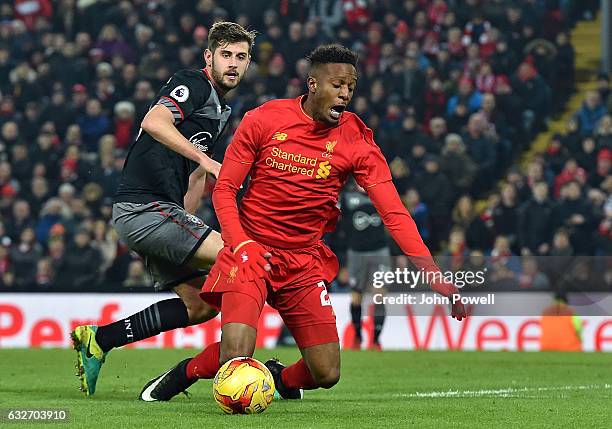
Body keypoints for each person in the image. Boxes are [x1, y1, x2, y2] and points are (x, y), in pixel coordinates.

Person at [138, 45, 465, 402]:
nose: (345, 94)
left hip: (303, 262)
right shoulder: (263, 120)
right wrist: (240, 244)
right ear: (312, 84)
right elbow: (225, 190)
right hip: (251, 253)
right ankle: (185, 372)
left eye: (351, 87)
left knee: (326, 373)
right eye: (338, 84)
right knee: (236, 358)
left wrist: (434, 275)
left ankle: (282, 379)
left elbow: (395, 214)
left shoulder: (357, 142)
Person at [70, 22, 257, 396]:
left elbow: (193, 179)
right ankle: (242, 364)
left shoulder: (220, 110)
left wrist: (189, 214)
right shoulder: (195, 83)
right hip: (144, 208)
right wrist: (206, 161)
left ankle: (99, 340)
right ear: (209, 57)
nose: (233, 64)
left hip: (157, 214)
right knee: (242, 258)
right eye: (226, 55)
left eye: (241, 57)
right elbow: (154, 121)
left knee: (201, 305)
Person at [341, 181, 391, 351]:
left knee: (379, 295)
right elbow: (340, 228)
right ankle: (357, 335)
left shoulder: (382, 192)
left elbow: (394, 223)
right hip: (357, 252)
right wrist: (342, 261)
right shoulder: (347, 197)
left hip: (380, 251)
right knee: (356, 297)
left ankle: (376, 340)